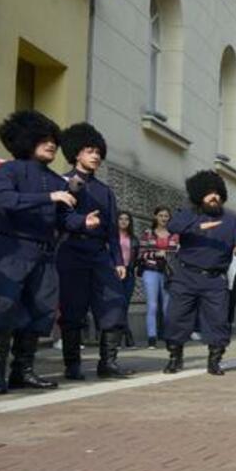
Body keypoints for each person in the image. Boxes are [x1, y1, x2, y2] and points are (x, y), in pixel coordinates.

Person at [0, 111, 80, 393]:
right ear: (26, 140)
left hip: (45, 255)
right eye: (43, 140)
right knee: (4, 309)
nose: (51, 145)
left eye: (53, 140)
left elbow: (63, 219)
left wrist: (83, 221)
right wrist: (48, 197)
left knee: (39, 310)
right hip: (13, 248)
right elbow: (5, 200)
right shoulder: (11, 170)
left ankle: (23, 371)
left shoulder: (59, 181)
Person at [56, 122, 132, 381]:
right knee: (73, 309)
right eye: (90, 150)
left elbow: (112, 229)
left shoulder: (105, 191)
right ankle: (72, 365)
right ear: (76, 153)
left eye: (98, 151)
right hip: (71, 250)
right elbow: (58, 219)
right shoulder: (62, 183)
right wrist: (80, 222)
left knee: (114, 304)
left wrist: (118, 260)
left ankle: (108, 363)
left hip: (100, 254)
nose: (96, 156)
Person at [163, 171, 236, 376]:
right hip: (186, 276)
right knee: (176, 318)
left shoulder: (231, 220)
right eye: (209, 193)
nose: (214, 197)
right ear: (199, 195)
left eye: (217, 193)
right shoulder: (188, 214)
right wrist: (198, 227)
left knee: (218, 320)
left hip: (215, 279)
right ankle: (175, 357)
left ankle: (215, 360)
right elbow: (172, 226)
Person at [138, 207, 179, 349]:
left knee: (167, 306)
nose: (163, 218)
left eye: (166, 216)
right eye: (161, 215)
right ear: (155, 217)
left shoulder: (174, 235)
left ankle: (168, 337)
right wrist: (157, 254)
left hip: (168, 272)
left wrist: (165, 254)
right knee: (152, 305)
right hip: (150, 271)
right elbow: (141, 253)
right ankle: (152, 338)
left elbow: (177, 254)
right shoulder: (148, 234)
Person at [117, 211, 140, 347]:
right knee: (118, 305)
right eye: (121, 219)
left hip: (129, 274)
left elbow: (136, 258)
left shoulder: (134, 239)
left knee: (124, 306)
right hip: (115, 274)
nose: (124, 221)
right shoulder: (112, 237)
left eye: (127, 219)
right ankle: (126, 335)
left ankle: (123, 335)